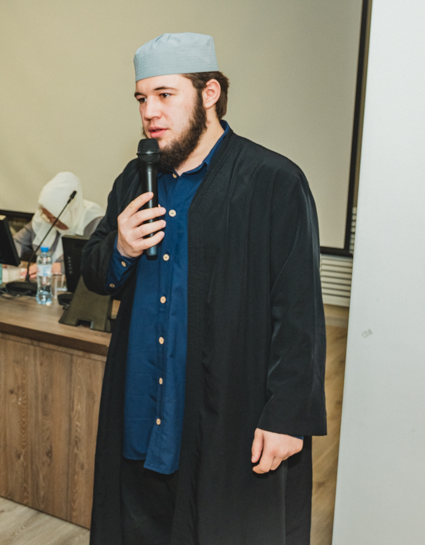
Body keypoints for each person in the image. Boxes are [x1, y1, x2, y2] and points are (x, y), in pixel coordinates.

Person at [82, 33, 327, 545]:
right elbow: (97, 275)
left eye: (165, 95)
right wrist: (121, 247)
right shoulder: (135, 178)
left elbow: (298, 315)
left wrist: (286, 418)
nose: (149, 111)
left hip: (225, 418)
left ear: (209, 93)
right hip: (141, 414)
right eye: (142, 98)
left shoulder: (273, 181)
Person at [13, 171, 103, 277]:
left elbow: (97, 261)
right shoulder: (42, 218)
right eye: (48, 217)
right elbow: (18, 242)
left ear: (71, 210)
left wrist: (60, 267)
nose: (51, 222)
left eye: (55, 218)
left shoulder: (95, 222)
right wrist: (9, 258)